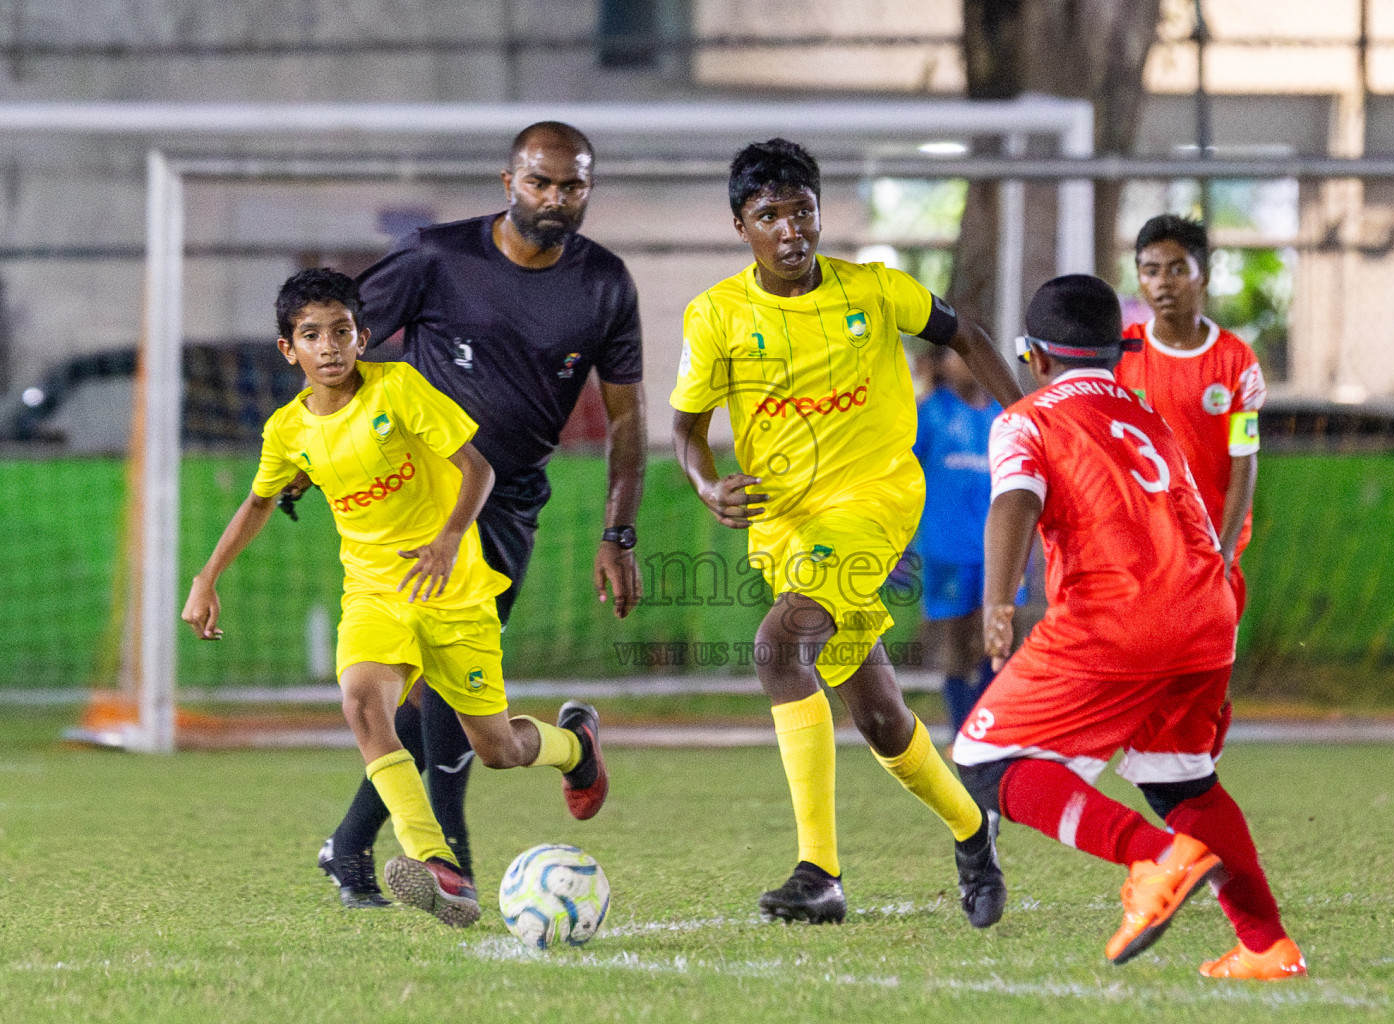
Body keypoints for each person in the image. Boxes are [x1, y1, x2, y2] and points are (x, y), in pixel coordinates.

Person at [182, 268, 608, 928]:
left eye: (342, 332)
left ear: (363, 336)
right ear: (286, 349)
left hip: (455, 590)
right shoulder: (286, 431)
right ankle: (434, 861)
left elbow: (478, 467)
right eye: (312, 335)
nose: (330, 347)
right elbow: (260, 500)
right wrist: (206, 578)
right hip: (377, 594)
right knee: (361, 701)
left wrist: (449, 537)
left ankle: (575, 745)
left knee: (497, 748)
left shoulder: (399, 390)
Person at [670, 139, 1022, 928]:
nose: (791, 229)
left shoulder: (877, 290)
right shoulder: (717, 316)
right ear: (741, 226)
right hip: (785, 530)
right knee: (880, 716)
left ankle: (819, 871)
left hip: (875, 503)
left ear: (820, 212)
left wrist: (1031, 419)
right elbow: (687, 428)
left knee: (776, 647)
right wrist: (703, 483)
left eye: (803, 211)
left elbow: (965, 335)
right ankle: (974, 828)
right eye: (769, 216)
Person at [311, 120, 646, 908]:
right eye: (540, 183)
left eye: (573, 186)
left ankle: (366, 844)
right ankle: (417, 852)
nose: (556, 199)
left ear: (588, 190)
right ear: (508, 183)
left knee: (456, 699)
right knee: (424, 686)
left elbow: (627, 420)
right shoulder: (439, 256)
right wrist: (311, 446)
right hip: (410, 501)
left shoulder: (606, 284)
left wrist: (618, 532)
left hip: (506, 503)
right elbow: (341, 348)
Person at [953, 274, 1305, 979]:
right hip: (1207, 612)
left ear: (1036, 357)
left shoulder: (1028, 418)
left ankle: (1152, 857)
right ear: (1119, 351)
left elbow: (1014, 503)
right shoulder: (1150, 418)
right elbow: (1196, 522)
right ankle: (1267, 945)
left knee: (982, 764)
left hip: (1116, 620)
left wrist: (998, 599)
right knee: (1184, 782)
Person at [1116, 214, 1265, 617]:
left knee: (1206, 671)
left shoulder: (1236, 361)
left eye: (1178, 269)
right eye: (1151, 271)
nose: (1163, 282)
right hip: (1140, 550)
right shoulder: (1120, 354)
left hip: (1208, 546)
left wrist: (1225, 546)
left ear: (1205, 276)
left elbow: (1243, 457)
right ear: (1139, 278)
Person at [912, 346, 1043, 732]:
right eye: (955, 355)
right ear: (940, 363)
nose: (965, 361)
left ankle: (991, 727)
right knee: (958, 640)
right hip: (946, 548)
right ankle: (961, 729)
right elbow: (904, 471)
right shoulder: (930, 413)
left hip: (1001, 550)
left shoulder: (1003, 414)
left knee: (1004, 635)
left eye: (970, 353)